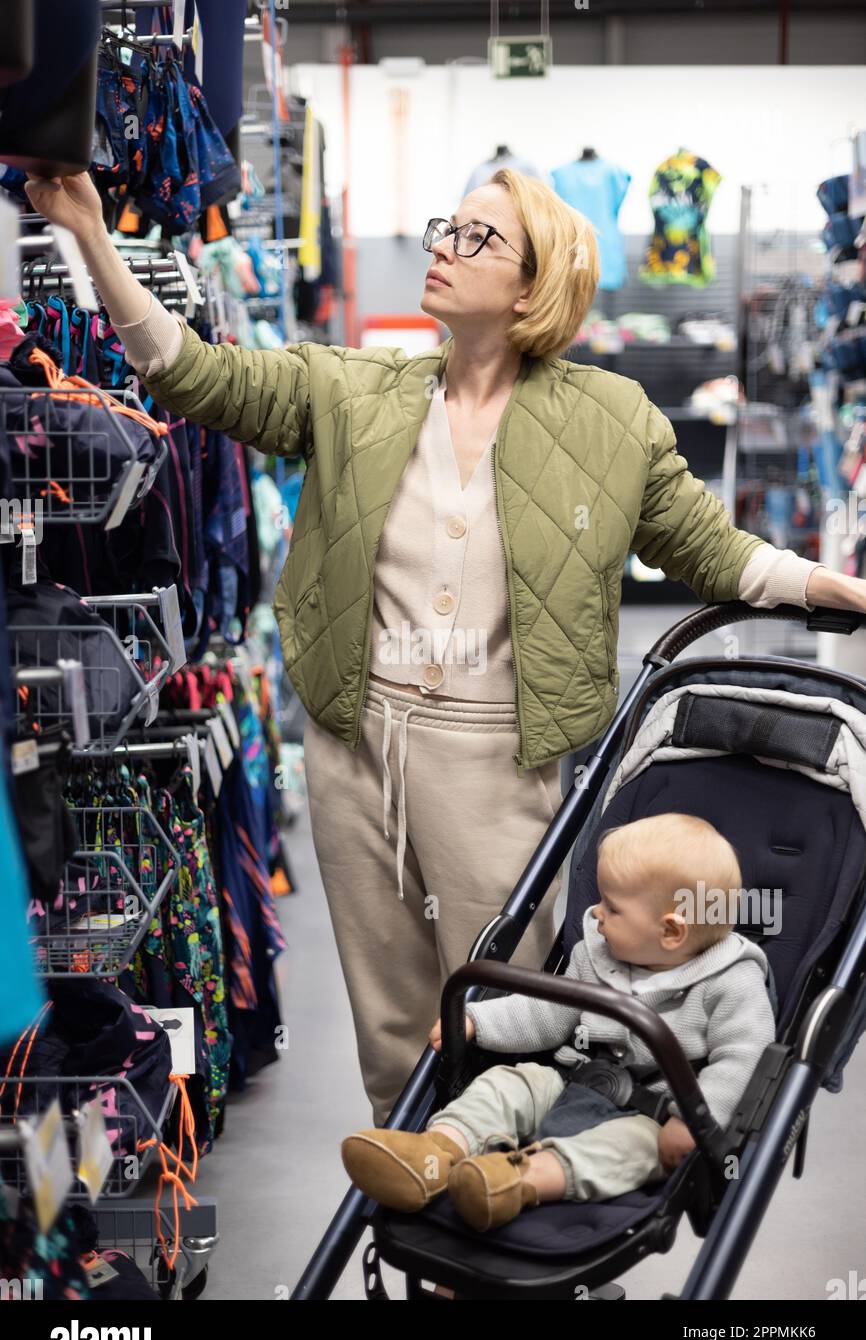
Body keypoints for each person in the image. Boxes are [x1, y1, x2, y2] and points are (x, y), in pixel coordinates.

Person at [23, 166, 866, 1128]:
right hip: (356, 750)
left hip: (498, 760)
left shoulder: (612, 420)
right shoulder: (351, 390)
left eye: (475, 239)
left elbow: (710, 550)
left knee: (514, 1015)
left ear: (533, 284)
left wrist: (824, 584)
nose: (441, 249)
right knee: (392, 1034)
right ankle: (415, 1223)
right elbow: (194, 373)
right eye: (443, 229)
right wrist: (91, 234)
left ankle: (513, 1239)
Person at [340, 813, 776, 1232]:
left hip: (653, 1114)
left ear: (671, 932)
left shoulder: (731, 982)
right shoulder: (597, 955)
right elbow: (545, 1013)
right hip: (571, 1081)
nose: (596, 914)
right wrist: (477, 1020)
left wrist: (694, 1119)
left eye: (612, 907)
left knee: (623, 1150)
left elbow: (743, 1058)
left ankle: (515, 1182)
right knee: (508, 1083)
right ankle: (436, 1153)